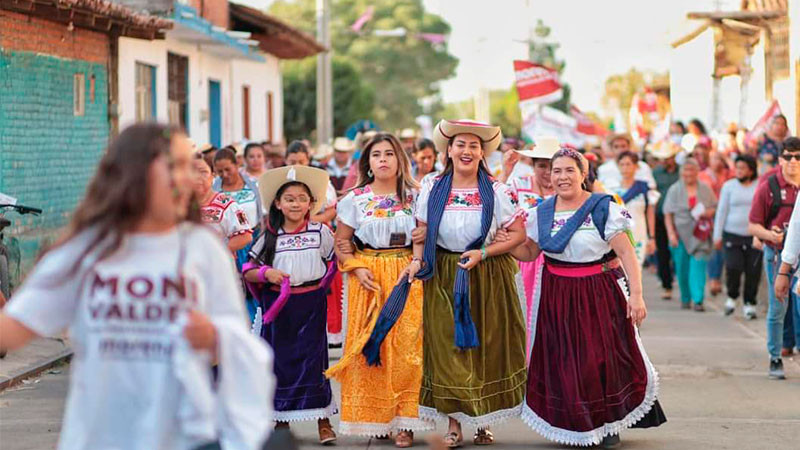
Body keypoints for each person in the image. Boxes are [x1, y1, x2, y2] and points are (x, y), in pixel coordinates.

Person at [0, 123, 273, 450]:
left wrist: (215, 335)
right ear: (134, 173)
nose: (189, 179)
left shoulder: (202, 248)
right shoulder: (86, 249)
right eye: (175, 167)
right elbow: (12, 329)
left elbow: (241, 343)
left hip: (184, 435)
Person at [512, 148, 665, 448]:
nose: (562, 177)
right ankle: (576, 423)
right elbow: (531, 252)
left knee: (600, 359)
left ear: (583, 175)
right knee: (565, 360)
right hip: (557, 293)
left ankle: (607, 423)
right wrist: (504, 245)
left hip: (598, 292)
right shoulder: (541, 213)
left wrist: (637, 295)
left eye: (569, 170)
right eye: (556, 171)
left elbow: (625, 253)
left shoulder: (602, 208)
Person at [415, 120, 527, 447]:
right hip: (444, 272)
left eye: (474, 146)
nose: (466, 151)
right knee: (449, 348)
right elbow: (421, 230)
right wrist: (417, 259)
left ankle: (482, 421)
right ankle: (454, 424)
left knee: (486, 347)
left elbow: (518, 234)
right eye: (460, 145)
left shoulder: (496, 191)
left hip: (489, 273)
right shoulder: (432, 186)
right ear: (448, 151)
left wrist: (484, 252)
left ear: (482, 153)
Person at [325, 133, 429, 447]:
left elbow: (425, 235)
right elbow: (341, 243)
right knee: (374, 349)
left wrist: (418, 259)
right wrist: (356, 266)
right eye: (375, 155)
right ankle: (376, 418)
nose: (382, 159)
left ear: (400, 159)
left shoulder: (417, 194)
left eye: (388, 154)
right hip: (368, 276)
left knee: (406, 350)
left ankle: (405, 421)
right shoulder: (354, 198)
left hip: (407, 273)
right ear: (368, 163)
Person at [243, 165, 338, 444]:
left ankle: (324, 420)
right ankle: (280, 419)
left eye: (301, 198)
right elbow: (248, 268)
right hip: (280, 309)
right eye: (289, 199)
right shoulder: (270, 237)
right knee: (281, 363)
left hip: (311, 305)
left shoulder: (320, 232)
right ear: (278, 204)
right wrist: (266, 273)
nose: (296, 204)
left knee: (316, 361)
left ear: (311, 203)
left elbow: (335, 261)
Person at [500, 136, 557, 361]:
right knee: (523, 318)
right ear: (534, 166)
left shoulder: (567, 188)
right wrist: (505, 171)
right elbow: (495, 203)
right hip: (522, 260)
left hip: (556, 261)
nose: (547, 172)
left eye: (553, 166)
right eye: (542, 165)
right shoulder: (519, 184)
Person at [748, 137, 800, 379]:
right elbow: (753, 225)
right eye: (788, 156)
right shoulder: (768, 186)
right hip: (777, 253)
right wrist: (772, 235)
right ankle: (775, 356)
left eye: (798, 157)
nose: (793, 162)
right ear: (780, 159)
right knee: (778, 304)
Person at [663, 158, 717, 311]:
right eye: (685, 170)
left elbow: (714, 207)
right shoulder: (675, 189)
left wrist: (706, 212)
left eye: (692, 170)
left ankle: (698, 299)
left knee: (698, 265)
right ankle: (685, 297)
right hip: (680, 234)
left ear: (697, 171)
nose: (688, 173)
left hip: (700, 234)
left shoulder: (705, 189)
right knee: (682, 267)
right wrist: (671, 234)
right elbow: (668, 214)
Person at [713, 155, 761, 319]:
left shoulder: (760, 185)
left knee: (753, 271)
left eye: (742, 168)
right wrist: (717, 235)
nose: (739, 171)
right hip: (732, 234)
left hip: (754, 236)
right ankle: (732, 297)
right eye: (737, 168)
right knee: (733, 267)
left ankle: (750, 303)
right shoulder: (729, 186)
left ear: (751, 170)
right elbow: (721, 211)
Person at [193, 154, 253, 254]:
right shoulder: (179, 205)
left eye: (203, 172)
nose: (197, 177)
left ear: (212, 175)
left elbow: (245, 236)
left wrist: (217, 253)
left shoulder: (227, 204)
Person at [614, 151, 659, 266]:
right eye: (622, 164)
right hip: (617, 234)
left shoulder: (643, 187)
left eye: (628, 164)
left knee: (636, 269)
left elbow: (650, 213)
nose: (625, 168)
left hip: (639, 232)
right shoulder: (612, 189)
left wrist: (652, 237)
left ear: (636, 166)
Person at [650, 141, 682, 299]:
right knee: (662, 252)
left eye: (668, 157)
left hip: (679, 217)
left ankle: (680, 281)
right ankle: (666, 284)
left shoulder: (681, 172)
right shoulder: (655, 173)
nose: (665, 161)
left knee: (679, 251)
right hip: (659, 216)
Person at [699, 151, 733, 296]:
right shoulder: (704, 175)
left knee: (722, 247)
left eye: (720, 158)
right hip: (710, 215)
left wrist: (728, 161)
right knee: (715, 246)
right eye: (714, 158)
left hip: (727, 214)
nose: (717, 162)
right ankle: (714, 279)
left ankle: (717, 278)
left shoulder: (727, 173)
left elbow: (737, 175)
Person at [285, 141, 338, 224]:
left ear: (308, 161)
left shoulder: (320, 180)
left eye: (301, 162)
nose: (297, 166)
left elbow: (331, 210)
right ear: (286, 161)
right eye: (292, 162)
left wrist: (307, 221)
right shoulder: (279, 181)